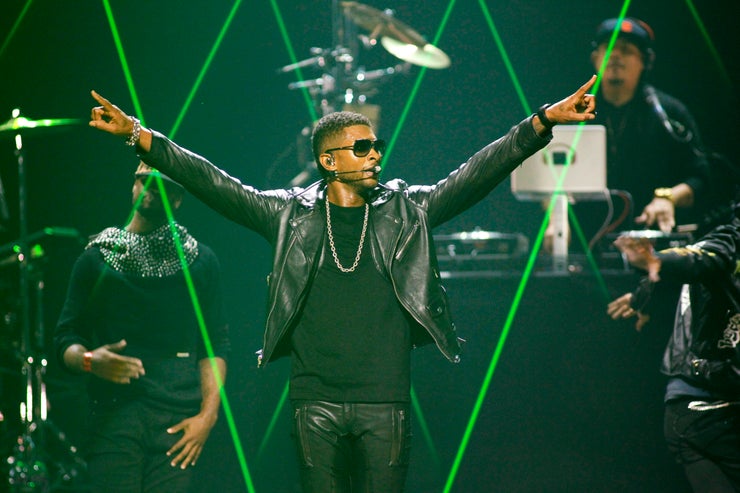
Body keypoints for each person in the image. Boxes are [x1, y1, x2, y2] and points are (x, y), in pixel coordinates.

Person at [86, 75, 596, 492]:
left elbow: (476, 173)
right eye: (362, 147)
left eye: (375, 145)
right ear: (329, 161)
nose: (376, 154)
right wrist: (137, 134)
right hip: (314, 401)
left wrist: (542, 122)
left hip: (385, 399)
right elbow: (210, 180)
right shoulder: (286, 214)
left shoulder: (407, 210)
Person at [53, 162, 230, 493]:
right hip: (114, 417)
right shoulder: (96, 260)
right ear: (133, 185)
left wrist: (208, 417)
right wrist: (91, 360)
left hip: (177, 421)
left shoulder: (202, 262)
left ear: (178, 198)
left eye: (164, 185)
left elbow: (215, 345)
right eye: (146, 181)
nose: (152, 188)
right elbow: (64, 340)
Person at [545, 18, 710, 253]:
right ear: (595, 58)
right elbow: (546, 174)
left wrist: (669, 198)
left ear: (645, 61)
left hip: (653, 248)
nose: (615, 57)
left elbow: (700, 177)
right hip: (583, 248)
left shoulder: (668, 114)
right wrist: (555, 219)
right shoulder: (571, 111)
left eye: (626, 50)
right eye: (608, 48)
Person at [607, 215, 740, 492]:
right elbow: (704, 258)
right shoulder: (726, 242)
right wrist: (657, 263)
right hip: (705, 410)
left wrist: (641, 297)